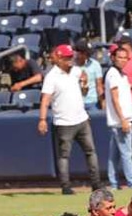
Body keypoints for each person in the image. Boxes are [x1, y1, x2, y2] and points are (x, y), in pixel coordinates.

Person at [38, 44, 102, 196]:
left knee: (91, 152)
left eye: (70, 57)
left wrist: (85, 83)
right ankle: (65, 186)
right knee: (64, 156)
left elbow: (84, 92)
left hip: (81, 118)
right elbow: (45, 99)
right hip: (63, 122)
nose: (70, 60)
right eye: (66, 57)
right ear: (59, 58)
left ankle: (96, 184)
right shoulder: (51, 76)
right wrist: (42, 119)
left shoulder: (76, 71)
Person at [105, 47, 132, 191]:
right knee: (127, 153)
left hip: (123, 119)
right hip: (121, 121)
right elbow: (114, 99)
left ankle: (113, 183)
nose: (122, 60)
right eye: (119, 57)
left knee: (115, 155)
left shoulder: (122, 75)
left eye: (125, 58)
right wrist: (123, 119)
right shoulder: (113, 74)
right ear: (113, 58)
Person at [74, 39, 104, 111]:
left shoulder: (95, 64)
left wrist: (103, 103)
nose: (88, 56)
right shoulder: (71, 66)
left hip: (93, 103)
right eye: (86, 53)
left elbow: (99, 86)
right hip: (76, 103)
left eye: (89, 54)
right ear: (79, 53)